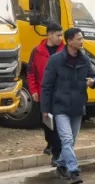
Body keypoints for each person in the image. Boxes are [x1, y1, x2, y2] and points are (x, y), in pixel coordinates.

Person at [41, 27, 95, 184]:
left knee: (71, 141)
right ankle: (74, 171)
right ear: (70, 41)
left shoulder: (84, 59)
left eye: (82, 38)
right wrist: (45, 109)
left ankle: (61, 165)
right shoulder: (55, 60)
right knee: (66, 139)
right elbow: (46, 86)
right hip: (60, 107)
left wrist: (93, 82)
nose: (82, 41)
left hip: (78, 107)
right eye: (79, 39)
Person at [26, 23, 65, 164]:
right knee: (47, 122)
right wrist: (34, 90)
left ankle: (57, 152)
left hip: (61, 93)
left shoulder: (65, 50)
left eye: (61, 35)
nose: (60, 38)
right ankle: (50, 142)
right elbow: (31, 72)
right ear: (49, 35)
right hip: (44, 93)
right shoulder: (37, 51)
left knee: (59, 123)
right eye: (58, 35)